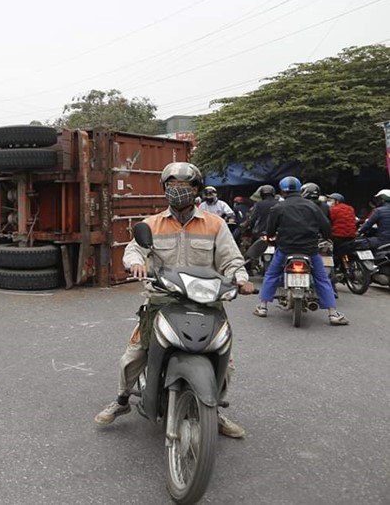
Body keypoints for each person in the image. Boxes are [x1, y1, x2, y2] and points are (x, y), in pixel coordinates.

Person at [93, 162, 253, 438]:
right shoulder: (152, 224)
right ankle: (122, 400)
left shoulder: (215, 224)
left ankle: (212, 409)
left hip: (207, 301)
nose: (178, 191)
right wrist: (135, 264)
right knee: (136, 354)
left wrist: (240, 277)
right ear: (165, 189)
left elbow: (231, 258)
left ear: (196, 190)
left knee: (225, 361)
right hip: (162, 299)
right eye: (172, 186)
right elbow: (134, 251)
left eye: (185, 186)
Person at [254, 177, 348, 326]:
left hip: (285, 249)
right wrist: (324, 237)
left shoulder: (279, 208)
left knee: (271, 275)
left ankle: (263, 307)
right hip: (309, 250)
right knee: (322, 279)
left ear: (282, 191)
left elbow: (270, 229)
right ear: (299, 190)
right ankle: (333, 313)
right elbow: (326, 227)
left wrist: (271, 236)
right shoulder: (313, 207)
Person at [327, 193, 357, 266]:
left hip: (338, 236)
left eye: (331, 200)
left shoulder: (333, 209)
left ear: (337, 201)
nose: (329, 202)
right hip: (352, 237)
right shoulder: (350, 208)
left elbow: (328, 221)